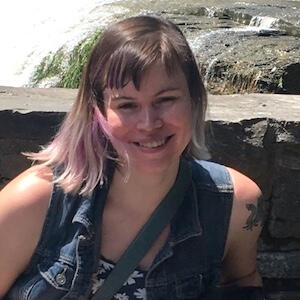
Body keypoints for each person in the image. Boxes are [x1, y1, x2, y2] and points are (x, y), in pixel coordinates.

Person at [0, 16, 266, 299]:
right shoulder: (33, 203)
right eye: (127, 105)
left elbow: (243, 282)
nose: (148, 123)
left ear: (195, 98)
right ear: (98, 111)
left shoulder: (235, 206)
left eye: (166, 100)